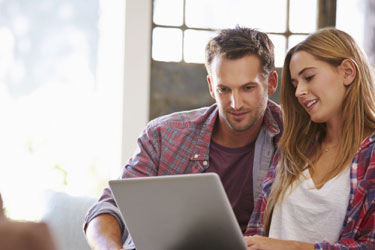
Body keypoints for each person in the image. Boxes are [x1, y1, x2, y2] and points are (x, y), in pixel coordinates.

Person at [84, 26, 282, 250]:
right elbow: (108, 207)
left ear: (271, 82)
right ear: (210, 87)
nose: (235, 103)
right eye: (224, 89)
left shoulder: (294, 137)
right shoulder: (163, 135)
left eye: (248, 88)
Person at [244, 27, 375, 249]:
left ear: (347, 72)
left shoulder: (370, 155)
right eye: (295, 84)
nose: (298, 92)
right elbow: (257, 233)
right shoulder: (294, 147)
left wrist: (292, 247)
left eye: (309, 77)